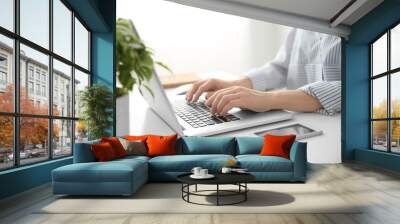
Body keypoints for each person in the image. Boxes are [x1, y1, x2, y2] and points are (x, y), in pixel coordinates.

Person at [186, 28, 341, 116]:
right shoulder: (307, 15)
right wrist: (236, 84)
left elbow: (358, 89)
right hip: (299, 120)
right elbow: (281, 67)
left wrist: (269, 99)